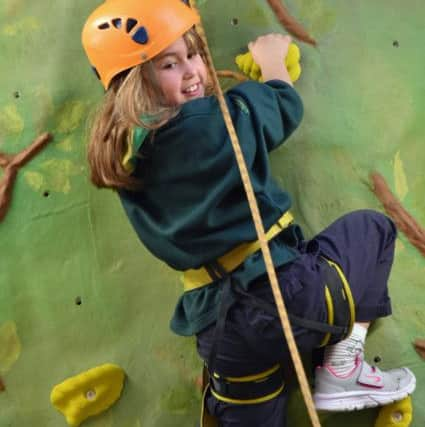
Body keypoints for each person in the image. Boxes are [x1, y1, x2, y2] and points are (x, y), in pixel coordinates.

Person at [81, 1, 416, 426]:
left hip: (221, 333)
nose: (193, 72)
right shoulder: (203, 124)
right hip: (287, 293)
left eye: (194, 55)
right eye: (169, 64)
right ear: (135, 83)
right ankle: (342, 367)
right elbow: (278, 107)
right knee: (372, 230)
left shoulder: (123, 157)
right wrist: (273, 64)